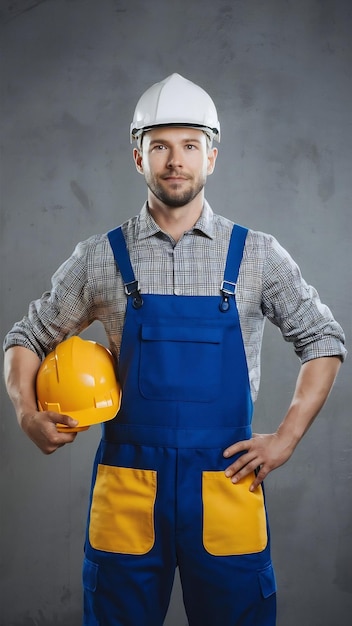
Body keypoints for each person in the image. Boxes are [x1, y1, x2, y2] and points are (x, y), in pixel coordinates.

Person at [3, 73, 346, 626]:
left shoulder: (256, 255)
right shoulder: (100, 258)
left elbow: (323, 339)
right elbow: (26, 337)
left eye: (190, 145)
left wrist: (285, 439)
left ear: (213, 156)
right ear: (138, 156)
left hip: (227, 482)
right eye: (160, 145)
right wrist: (25, 413)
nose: (175, 160)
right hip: (128, 484)